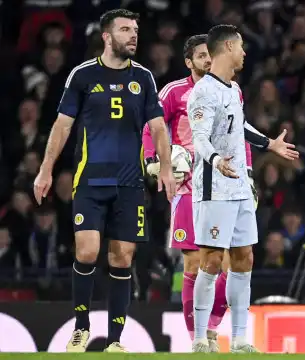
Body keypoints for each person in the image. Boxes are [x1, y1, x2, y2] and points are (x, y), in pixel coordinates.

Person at [32, 9, 175, 353]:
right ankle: (81, 327)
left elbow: (157, 126)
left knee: (122, 259)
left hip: (129, 183)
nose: (133, 35)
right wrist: (45, 169)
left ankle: (114, 340)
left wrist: (166, 168)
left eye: (135, 30)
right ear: (107, 36)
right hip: (90, 180)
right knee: (87, 251)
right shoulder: (82, 75)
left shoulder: (143, 78)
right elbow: (63, 125)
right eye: (125, 29)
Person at [141, 34, 256, 352]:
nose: (208, 60)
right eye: (201, 56)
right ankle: (199, 338)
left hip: (227, 186)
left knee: (230, 264)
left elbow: (241, 135)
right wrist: (155, 161)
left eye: (211, 55)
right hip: (190, 187)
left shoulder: (232, 91)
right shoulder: (174, 92)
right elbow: (152, 126)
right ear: (189, 61)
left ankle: (212, 327)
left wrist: (248, 173)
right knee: (195, 264)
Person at [187, 24, 298, 353]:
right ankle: (198, 339)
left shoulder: (233, 89)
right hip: (214, 187)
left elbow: (240, 124)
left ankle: (238, 339)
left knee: (245, 257)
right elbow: (200, 138)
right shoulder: (203, 91)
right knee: (210, 261)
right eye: (240, 47)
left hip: (240, 185)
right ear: (225, 49)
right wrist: (216, 159)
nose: (244, 53)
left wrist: (268, 144)